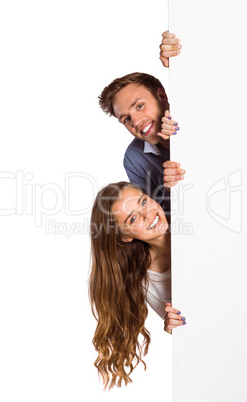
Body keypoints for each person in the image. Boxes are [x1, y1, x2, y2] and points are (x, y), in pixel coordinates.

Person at [89, 181, 186, 389]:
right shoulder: (143, 280)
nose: (147, 214)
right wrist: (177, 329)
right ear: (125, 236)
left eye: (143, 201)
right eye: (133, 218)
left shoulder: (190, 218)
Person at [98, 32, 185, 213]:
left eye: (139, 106)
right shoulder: (134, 158)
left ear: (161, 97)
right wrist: (170, 191)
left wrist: (183, 58)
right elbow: (154, 222)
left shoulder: (192, 112)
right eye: (126, 119)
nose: (136, 122)